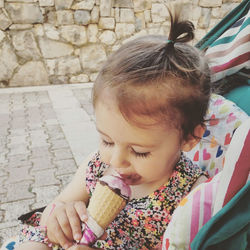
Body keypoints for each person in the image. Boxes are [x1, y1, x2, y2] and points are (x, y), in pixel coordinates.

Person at [13, 9, 210, 250]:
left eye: (139, 151)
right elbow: (58, 204)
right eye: (107, 141)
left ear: (190, 138)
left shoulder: (191, 193)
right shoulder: (97, 165)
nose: (116, 160)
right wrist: (60, 216)